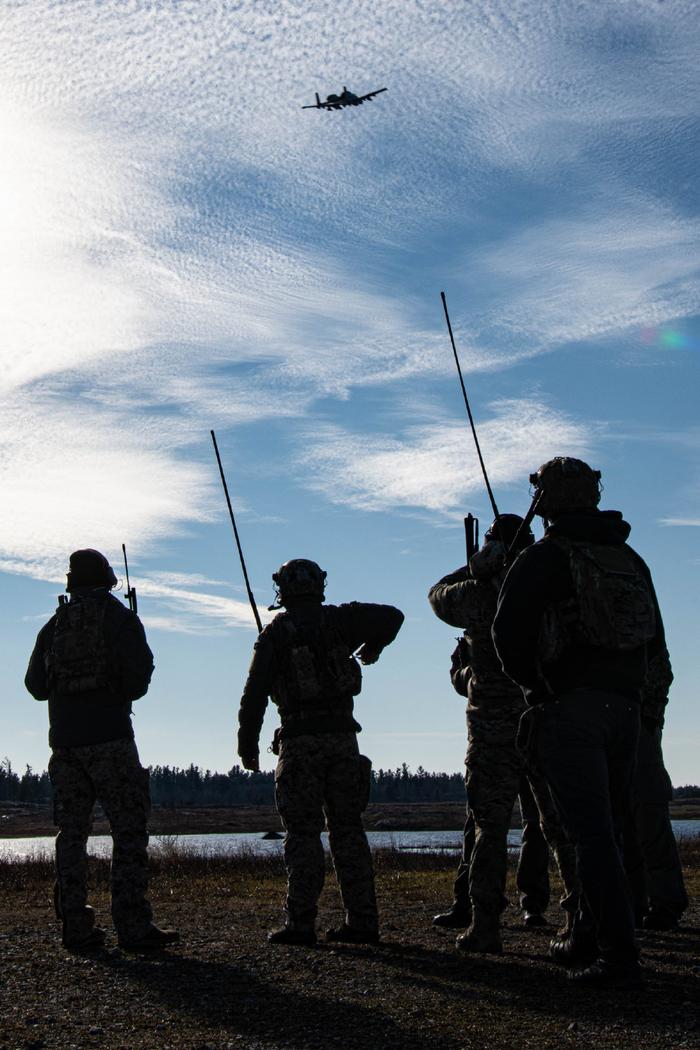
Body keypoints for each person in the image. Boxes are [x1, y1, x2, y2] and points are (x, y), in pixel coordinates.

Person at [493, 457, 666, 989]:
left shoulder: (545, 557)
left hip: (570, 710)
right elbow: (654, 642)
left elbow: (506, 636)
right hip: (628, 711)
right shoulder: (629, 558)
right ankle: (587, 938)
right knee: (614, 830)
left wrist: (539, 689)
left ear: (544, 501)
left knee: (589, 836)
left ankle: (618, 959)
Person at [428, 515, 578, 953]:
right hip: (544, 716)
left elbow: (437, 596)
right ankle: (578, 921)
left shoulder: (479, 592)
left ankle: (485, 924)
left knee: (488, 829)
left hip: (492, 725)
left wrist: (476, 565)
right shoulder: (545, 586)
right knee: (559, 827)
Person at [237, 558, 404, 946]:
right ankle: (362, 922)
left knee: (301, 836)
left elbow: (254, 694)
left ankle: (301, 924)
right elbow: (393, 617)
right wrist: (372, 648)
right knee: (348, 831)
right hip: (344, 742)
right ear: (319, 585)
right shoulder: (342, 620)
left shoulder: (276, 633)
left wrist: (248, 745)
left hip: (298, 744)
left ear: (283, 589)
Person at [25, 549, 178, 952]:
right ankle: (133, 926)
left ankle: (75, 927)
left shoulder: (54, 625)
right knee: (128, 831)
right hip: (111, 740)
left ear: (71, 583)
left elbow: (35, 686)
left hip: (65, 746)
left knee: (71, 835)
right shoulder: (120, 619)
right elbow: (139, 682)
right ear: (109, 579)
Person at [624, 648, 688, 930]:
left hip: (638, 724)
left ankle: (665, 903)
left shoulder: (638, 608)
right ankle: (635, 903)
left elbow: (662, 668)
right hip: (611, 720)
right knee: (622, 820)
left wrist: (649, 717)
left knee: (650, 818)